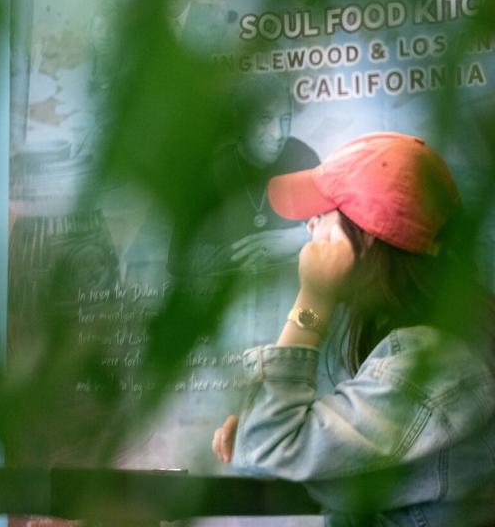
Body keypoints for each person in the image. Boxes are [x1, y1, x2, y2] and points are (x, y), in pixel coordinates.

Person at [211, 132, 495, 525]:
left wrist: (312, 301)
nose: (309, 226)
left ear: (368, 236)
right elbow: (286, 446)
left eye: (324, 214)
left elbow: (270, 445)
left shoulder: (434, 362)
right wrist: (260, 431)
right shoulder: (430, 344)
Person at [168, 76, 319, 277]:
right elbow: (180, 263)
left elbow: (340, 232)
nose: (278, 134)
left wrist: (298, 239)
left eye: (286, 119)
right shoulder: (212, 172)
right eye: (265, 119)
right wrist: (240, 253)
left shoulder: (303, 157)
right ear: (243, 121)